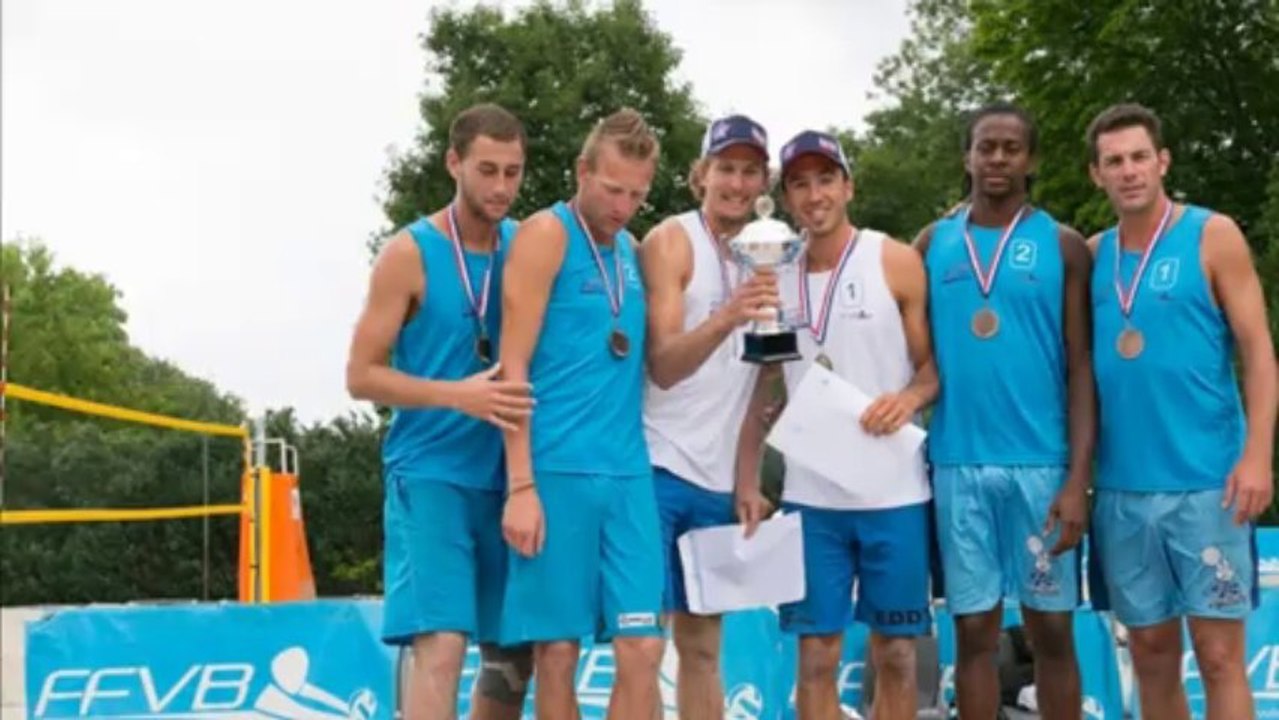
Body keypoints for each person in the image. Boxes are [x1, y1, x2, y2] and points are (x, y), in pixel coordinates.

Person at [737, 130, 938, 720]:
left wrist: (906, 399)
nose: (814, 194)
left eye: (826, 179)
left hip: (893, 492)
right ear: (785, 198)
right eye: (799, 183)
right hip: (812, 495)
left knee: (897, 654)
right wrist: (748, 477)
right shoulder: (774, 274)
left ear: (848, 186)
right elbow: (765, 383)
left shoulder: (894, 260)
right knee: (817, 656)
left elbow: (931, 372)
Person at [1085, 102, 1276, 720]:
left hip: (1208, 485)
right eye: (1114, 161)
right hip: (1122, 490)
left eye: (1140, 157)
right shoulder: (1091, 256)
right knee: (1149, 651)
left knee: (1219, 657)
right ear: (1097, 176)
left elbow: (1259, 352)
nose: (1130, 171)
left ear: (1162, 161)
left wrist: (1257, 457)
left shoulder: (1212, 234)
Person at [344, 103, 536, 720]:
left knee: (511, 661)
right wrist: (460, 395)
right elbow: (360, 375)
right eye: (487, 170)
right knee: (443, 645)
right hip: (431, 474)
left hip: (507, 478)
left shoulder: (530, 247)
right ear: (454, 163)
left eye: (513, 172)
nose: (501, 187)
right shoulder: (409, 252)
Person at [913, 102, 1092, 720]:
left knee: (1052, 634)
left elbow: (1081, 369)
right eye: (985, 146)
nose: (996, 159)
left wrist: (1077, 480)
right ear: (967, 155)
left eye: (1010, 148)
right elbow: (908, 357)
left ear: (1031, 160)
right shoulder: (933, 243)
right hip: (958, 464)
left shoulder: (1063, 247)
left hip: (1040, 467)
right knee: (973, 635)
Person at [498, 108, 666, 720]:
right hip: (556, 470)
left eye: (637, 194)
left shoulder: (633, 251)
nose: (624, 205)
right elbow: (511, 369)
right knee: (558, 655)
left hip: (627, 473)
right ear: (582, 171)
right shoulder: (547, 234)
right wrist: (520, 485)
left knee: (644, 647)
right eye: (613, 188)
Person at [638, 113, 779, 718]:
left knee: (703, 647)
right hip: (654, 464)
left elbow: (762, 383)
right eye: (726, 168)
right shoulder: (670, 240)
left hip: (718, 480)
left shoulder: (771, 250)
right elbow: (664, 364)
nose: (737, 183)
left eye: (750, 171)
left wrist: (747, 477)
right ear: (700, 175)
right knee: (643, 644)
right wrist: (728, 314)